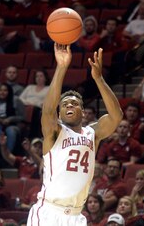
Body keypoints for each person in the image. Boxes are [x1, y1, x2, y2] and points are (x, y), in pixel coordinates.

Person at [27, 45, 123, 225]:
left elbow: (116, 116)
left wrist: (99, 79)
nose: (69, 106)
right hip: (49, 212)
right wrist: (62, 67)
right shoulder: (55, 132)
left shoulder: (93, 134)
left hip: (76, 216)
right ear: (60, 112)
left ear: (83, 110)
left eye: (74, 103)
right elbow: (48, 110)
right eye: (65, 105)